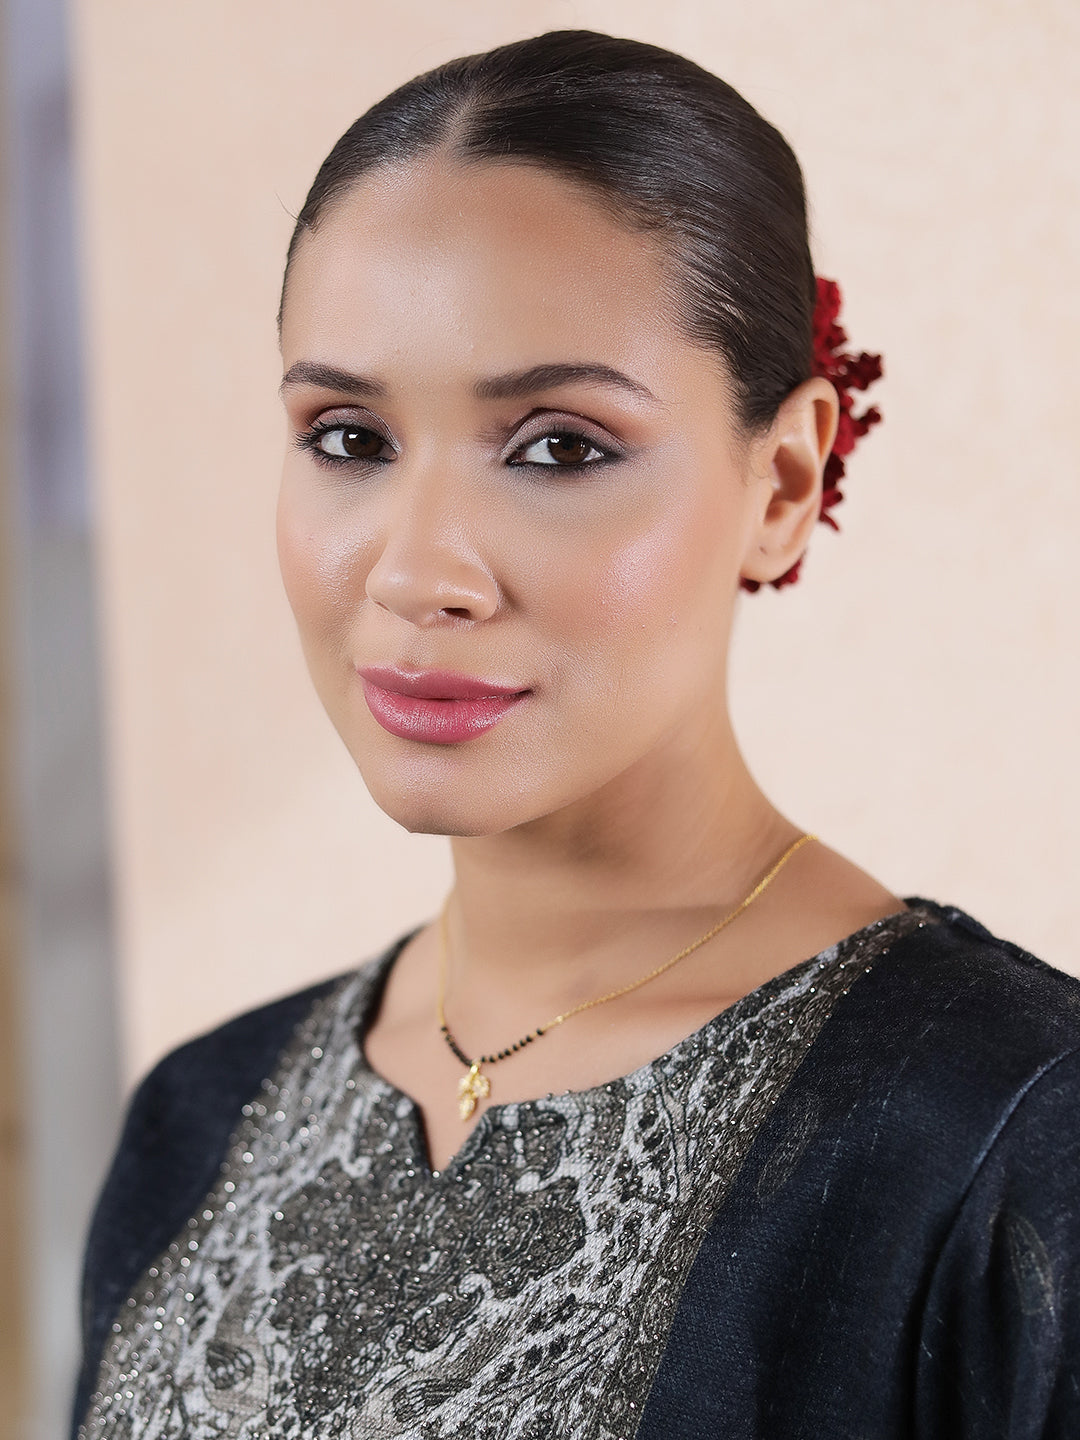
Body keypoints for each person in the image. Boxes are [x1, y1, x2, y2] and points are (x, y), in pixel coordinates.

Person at [73, 30, 1080, 1440]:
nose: (420, 573)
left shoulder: (1006, 1136)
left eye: (558, 447)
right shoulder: (199, 1121)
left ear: (784, 479)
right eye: (350, 438)